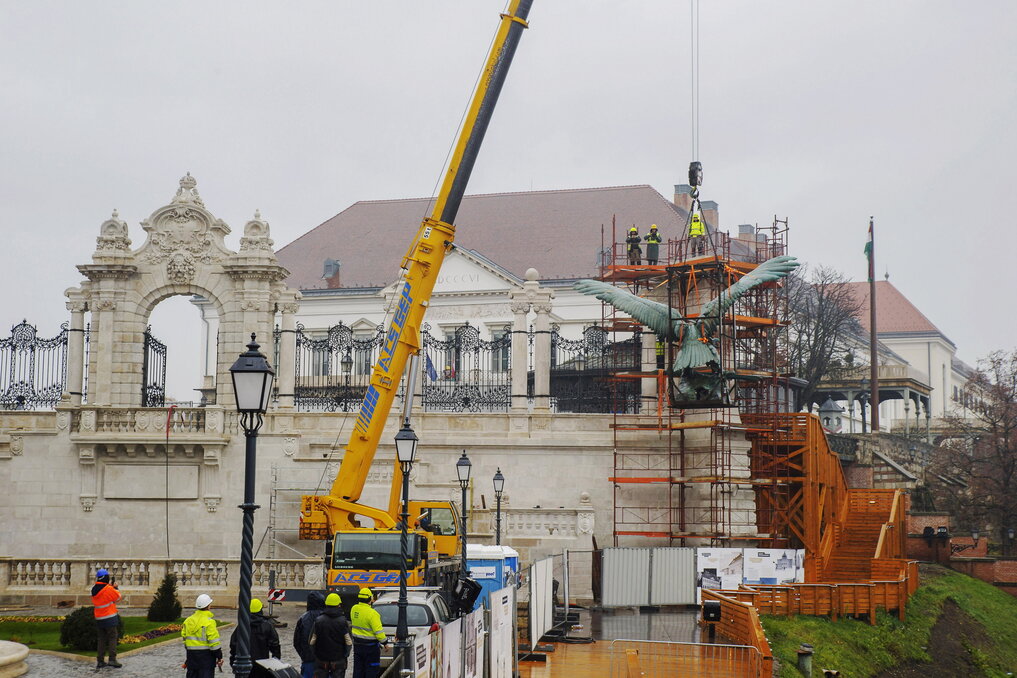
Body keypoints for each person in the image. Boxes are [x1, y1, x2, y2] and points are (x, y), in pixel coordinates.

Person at [229, 598, 281, 678]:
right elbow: (275, 646)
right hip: (262, 666)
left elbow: (234, 645)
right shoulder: (267, 626)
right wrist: (275, 663)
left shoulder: (242, 626)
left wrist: (233, 662)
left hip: (245, 665)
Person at [311, 593, 352, 678]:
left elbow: (311, 641)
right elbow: (349, 642)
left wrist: (316, 654)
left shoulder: (318, 621)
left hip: (321, 659)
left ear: (326, 604)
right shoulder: (343, 621)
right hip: (338, 659)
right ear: (339, 605)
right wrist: (345, 655)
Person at [182, 594, 222, 678]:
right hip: (206, 661)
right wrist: (219, 657)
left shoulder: (188, 621)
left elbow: (185, 640)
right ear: (208, 606)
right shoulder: (209, 622)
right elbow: (214, 643)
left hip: (192, 659)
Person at [350, 588, 388, 678]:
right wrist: (385, 643)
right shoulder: (372, 613)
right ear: (370, 599)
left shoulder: (354, 609)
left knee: (358, 670)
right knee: (371, 670)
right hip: (371, 648)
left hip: (358, 645)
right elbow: (378, 632)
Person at [91, 568, 122, 670]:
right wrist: (116, 588)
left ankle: (100, 661)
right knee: (112, 637)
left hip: (99, 617)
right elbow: (117, 598)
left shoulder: (94, 589)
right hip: (109, 617)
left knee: (101, 639)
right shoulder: (108, 589)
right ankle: (112, 659)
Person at [294, 591, 326, 678]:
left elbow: (296, 642)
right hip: (325, 661)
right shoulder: (327, 617)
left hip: (308, 659)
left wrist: (304, 655)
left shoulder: (303, 619)